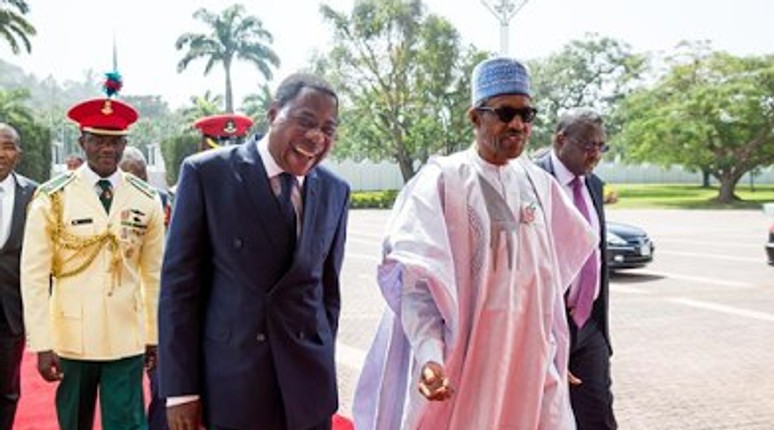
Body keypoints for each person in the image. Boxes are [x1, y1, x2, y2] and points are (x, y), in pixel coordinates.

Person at [353, 57, 598, 429]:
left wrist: (553, 351)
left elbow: (550, 283)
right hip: (464, 368)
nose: (518, 124)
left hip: (527, 367)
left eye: (526, 114)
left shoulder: (540, 186)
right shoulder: (443, 181)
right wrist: (430, 356)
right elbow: (417, 288)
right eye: (505, 113)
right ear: (475, 117)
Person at [158, 72, 350, 430]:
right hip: (235, 383)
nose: (316, 137)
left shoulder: (336, 190)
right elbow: (179, 291)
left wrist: (322, 353)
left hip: (308, 387)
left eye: (328, 129)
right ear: (274, 113)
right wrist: (181, 390)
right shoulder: (209, 174)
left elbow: (328, 293)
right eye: (306, 121)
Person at [20, 85, 165, 430]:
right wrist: (41, 343)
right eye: (98, 139)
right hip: (72, 339)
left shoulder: (146, 199)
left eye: (115, 141)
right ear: (82, 141)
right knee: (74, 422)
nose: (107, 148)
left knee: (128, 423)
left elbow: (154, 275)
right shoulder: (52, 197)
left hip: (126, 337)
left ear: (125, 144)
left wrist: (154, 334)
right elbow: (35, 275)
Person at [535, 108, 618, 429]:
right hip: (545, 324)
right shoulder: (531, 181)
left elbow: (596, 254)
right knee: (545, 416)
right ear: (560, 140)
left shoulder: (594, 185)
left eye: (601, 146)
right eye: (588, 145)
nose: (595, 154)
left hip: (590, 326)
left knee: (598, 415)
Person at [118, 145, 171, 430]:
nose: (131, 182)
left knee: (163, 386)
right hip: (120, 313)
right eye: (124, 175)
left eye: (137, 174)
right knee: (124, 392)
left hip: (159, 312)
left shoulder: (165, 204)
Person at [0, 123, 37, 430]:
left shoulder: (35, 194)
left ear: (19, 154)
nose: (1, 153)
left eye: (8, 146)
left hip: (11, 311)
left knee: (7, 390)